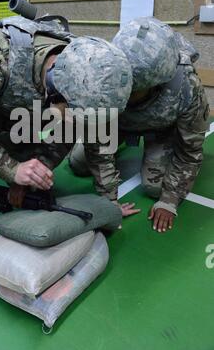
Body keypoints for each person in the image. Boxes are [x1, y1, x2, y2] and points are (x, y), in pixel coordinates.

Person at [0, 13, 133, 278]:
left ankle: (29, 171)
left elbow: (98, 139)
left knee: (64, 126)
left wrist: (108, 203)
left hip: (12, 111)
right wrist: (11, 168)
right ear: (56, 92)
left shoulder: (87, 72)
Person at [69, 17, 210, 234]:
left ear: (156, 84)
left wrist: (169, 201)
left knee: (155, 188)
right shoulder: (108, 78)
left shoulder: (186, 88)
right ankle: (122, 145)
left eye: (133, 90)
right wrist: (109, 200)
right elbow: (97, 145)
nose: (124, 93)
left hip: (160, 131)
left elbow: (189, 152)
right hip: (120, 126)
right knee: (79, 165)